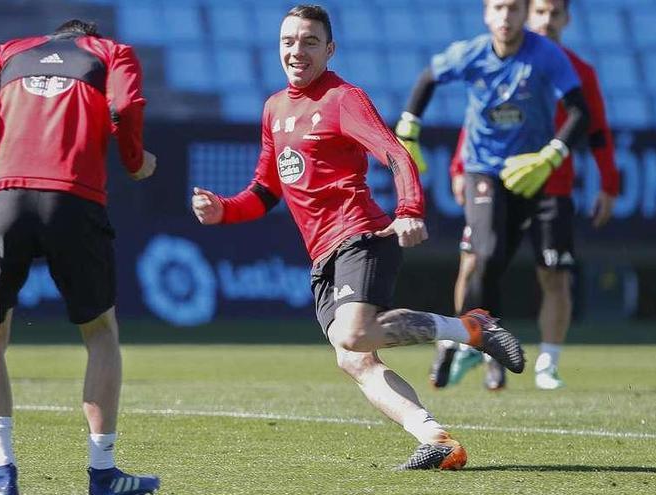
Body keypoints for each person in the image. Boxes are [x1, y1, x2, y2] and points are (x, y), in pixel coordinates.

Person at [191, 4, 525, 471]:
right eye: (289, 41)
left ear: (330, 50)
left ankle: (471, 328)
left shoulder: (343, 98)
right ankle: (436, 439)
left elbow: (395, 153)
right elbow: (266, 191)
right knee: (353, 359)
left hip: (360, 234)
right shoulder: (274, 109)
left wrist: (409, 209)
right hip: (321, 255)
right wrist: (222, 209)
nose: (297, 50)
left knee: (354, 333)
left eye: (309, 41)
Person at [0, 19, 160, 495]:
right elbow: (124, 106)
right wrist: (134, 159)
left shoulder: (7, 51)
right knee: (101, 333)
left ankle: (2, 476)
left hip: (5, 199)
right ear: (89, 36)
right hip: (75, 201)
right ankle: (102, 473)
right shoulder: (112, 51)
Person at [393, 0, 589, 391]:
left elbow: (580, 111)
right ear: (486, 14)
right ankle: (476, 339)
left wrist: (551, 156)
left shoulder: (546, 55)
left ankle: (471, 340)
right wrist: (409, 127)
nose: (505, 17)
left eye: (514, 9)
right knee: (485, 254)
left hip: (528, 173)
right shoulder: (472, 53)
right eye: (498, 8)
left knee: (496, 262)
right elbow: (428, 78)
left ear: (524, 14)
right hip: (482, 168)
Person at [432, 0, 618, 391]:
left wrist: (608, 182)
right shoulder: (505, 57)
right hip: (497, 179)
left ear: (566, 19)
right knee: (475, 261)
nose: (546, 21)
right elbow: (480, 116)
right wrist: (458, 167)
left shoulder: (577, 70)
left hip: (553, 187)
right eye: (540, 13)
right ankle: (475, 346)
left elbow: (595, 126)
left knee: (554, 274)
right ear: (524, 16)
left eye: (555, 14)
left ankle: (547, 364)